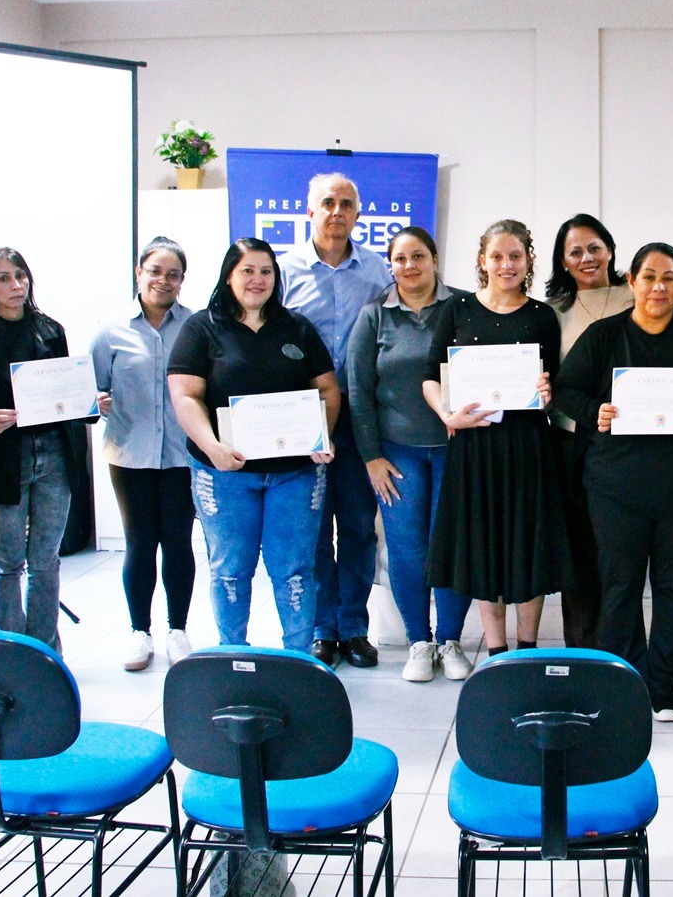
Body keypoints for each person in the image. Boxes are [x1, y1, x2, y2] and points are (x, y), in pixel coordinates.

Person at [557, 242, 673, 721]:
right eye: (648, 277)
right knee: (619, 586)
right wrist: (593, 413)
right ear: (633, 283)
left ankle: (664, 686)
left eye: (668, 278)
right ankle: (625, 679)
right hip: (615, 485)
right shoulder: (604, 336)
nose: (658, 287)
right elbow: (566, 389)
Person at [168, 238, 340, 652]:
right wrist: (211, 446)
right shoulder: (202, 328)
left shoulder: (296, 327)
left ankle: (298, 659)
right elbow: (185, 395)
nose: (258, 280)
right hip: (224, 473)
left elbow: (328, 389)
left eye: (266, 271)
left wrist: (322, 433)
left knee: (294, 570)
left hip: (295, 474)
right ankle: (233, 655)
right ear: (229, 276)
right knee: (230, 570)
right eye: (248, 270)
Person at [421, 219, 572, 656]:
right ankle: (496, 653)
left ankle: (526, 650)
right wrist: (447, 413)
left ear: (528, 260)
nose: (507, 265)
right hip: (475, 447)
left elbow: (552, 385)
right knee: (483, 545)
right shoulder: (458, 310)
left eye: (515, 256)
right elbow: (431, 377)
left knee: (528, 546)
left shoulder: (543, 315)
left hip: (528, 447)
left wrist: (547, 395)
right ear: (483, 261)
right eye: (497, 256)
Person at [346, 227, 475, 682]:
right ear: (390, 265)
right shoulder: (374, 317)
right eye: (399, 259)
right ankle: (420, 641)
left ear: (435, 259)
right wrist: (371, 457)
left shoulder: (462, 307)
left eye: (418, 256)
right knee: (406, 549)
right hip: (397, 455)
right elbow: (359, 392)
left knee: (453, 546)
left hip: (458, 451)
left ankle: (451, 639)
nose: (409, 266)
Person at [278, 171, 392, 668]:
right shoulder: (282, 272)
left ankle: (355, 627)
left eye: (347, 203)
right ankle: (323, 629)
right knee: (313, 528)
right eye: (327, 202)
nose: (337, 211)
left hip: (360, 415)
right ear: (309, 211)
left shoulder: (377, 272)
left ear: (359, 214)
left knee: (360, 528)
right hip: (304, 416)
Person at [0, 247, 87, 650]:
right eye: (3, 278)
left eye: (20, 276)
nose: (15, 286)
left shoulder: (50, 329)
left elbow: (65, 391)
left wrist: (87, 401)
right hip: (1, 457)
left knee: (46, 561)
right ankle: (11, 654)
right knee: (6, 561)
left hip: (52, 453)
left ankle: (46, 650)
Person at [91, 236, 196, 672]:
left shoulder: (195, 326)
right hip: (130, 453)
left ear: (182, 280)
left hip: (182, 455)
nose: (163, 280)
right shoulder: (110, 331)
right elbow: (91, 390)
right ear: (139, 273)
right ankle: (139, 632)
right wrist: (95, 400)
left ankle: (177, 630)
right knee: (139, 543)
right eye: (155, 271)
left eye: (173, 274)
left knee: (178, 541)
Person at [544, 213, 633, 648]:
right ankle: (581, 649)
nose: (586, 258)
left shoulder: (636, 296)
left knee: (619, 551)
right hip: (569, 443)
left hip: (629, 443)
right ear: (563, 260)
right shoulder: (552, 312)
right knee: (578, 551)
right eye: (575, 251)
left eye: (594, 247)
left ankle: (620, 647)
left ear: (611, 250)